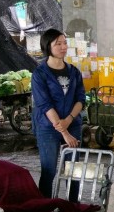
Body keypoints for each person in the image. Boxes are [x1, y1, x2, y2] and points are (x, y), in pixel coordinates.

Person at [31, 29, 85, 201]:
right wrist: (64, 132)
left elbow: (81, 99)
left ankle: (73, 205)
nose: (63, 47)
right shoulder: (40, 74)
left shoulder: (74, 72)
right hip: (48, 127)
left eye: (64, 43)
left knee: (73, 169)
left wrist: (69, 121)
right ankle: (44, 206)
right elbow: (44, 104)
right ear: (48, 47)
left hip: (72, 124)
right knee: (49, 169)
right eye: (58, 44)